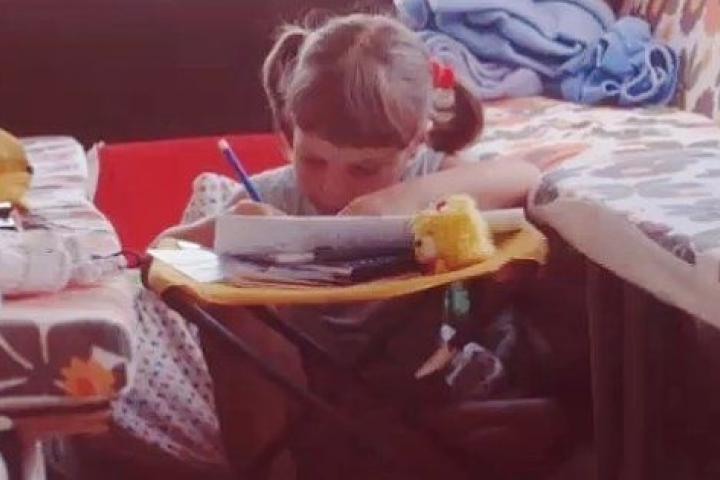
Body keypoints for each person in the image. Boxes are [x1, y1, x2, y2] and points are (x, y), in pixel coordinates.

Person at [104, 12, 576, 478]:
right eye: (312, 160)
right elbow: (159, 255)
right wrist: (224, 229)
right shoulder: (269, 196)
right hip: (297, 401)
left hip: (420, 384)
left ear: (415, 142)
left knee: (547, 428)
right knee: (235, 312)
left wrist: (394, 203)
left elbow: (524, 176)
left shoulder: (434, 177)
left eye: (364, 169)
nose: (331, 188)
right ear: (289, 130)